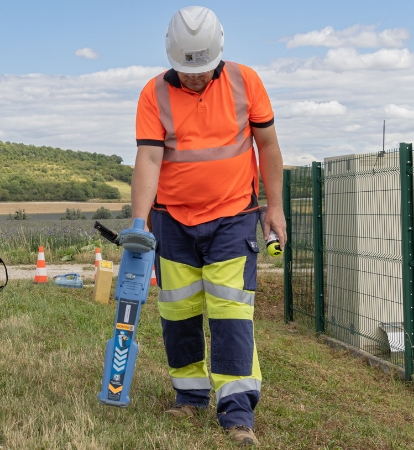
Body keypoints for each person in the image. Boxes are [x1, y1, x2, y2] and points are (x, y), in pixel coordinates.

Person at [128, 5, 286, 447]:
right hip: (172, 221)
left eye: (202, 69)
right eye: (186, 70)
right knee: (178, 312)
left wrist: (274, 208)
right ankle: (190, 397)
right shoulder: (153, 93)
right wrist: (140, 223)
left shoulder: (245, 81)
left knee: (231, 314)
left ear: (218, 53)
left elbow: (269, 146)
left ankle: (237, 416)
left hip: (233, 217)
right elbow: (150, 159)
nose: (194, 77)